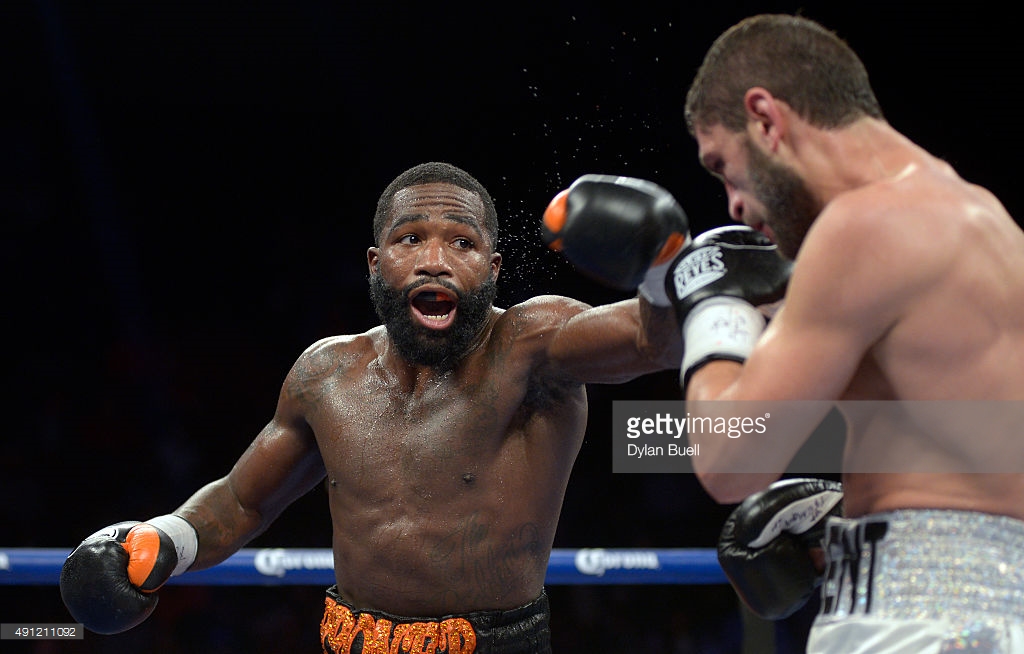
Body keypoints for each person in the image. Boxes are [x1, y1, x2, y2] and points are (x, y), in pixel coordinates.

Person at [59, 161, 691, 653]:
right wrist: (163, 540)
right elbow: (243, 501)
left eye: (463, 244)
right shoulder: (326, 373)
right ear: (376, 262)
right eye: (410, 238)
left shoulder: (531, 346)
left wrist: (665, 268)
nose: (434, 261)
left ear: (493, 269)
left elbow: (649, 340)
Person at [550, 12, 1024, 653]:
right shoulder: (987, 223)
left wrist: (712, 304)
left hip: (921, 626)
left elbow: (731, 460)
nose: (734, 205)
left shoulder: (865, 226)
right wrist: (847, 522)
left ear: (766, 119)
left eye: (724, 166)